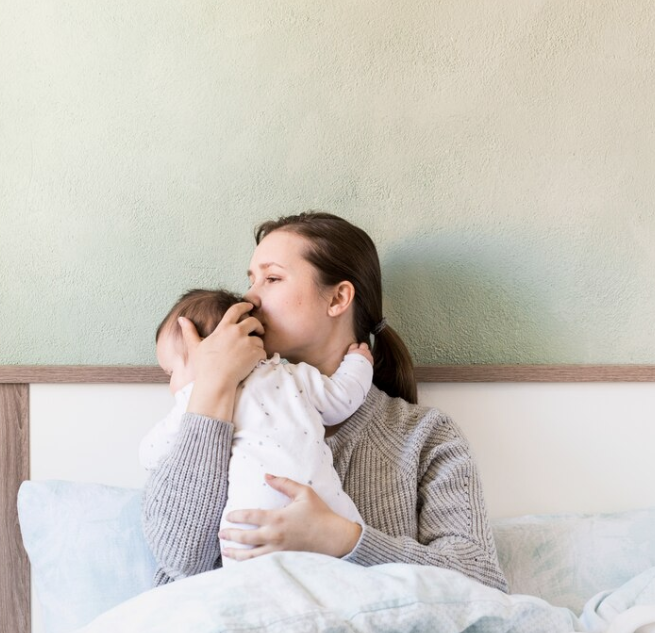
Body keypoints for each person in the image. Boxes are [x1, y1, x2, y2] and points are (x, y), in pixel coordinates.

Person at [142, 212, 508, 593]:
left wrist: (345, 539)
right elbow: (180, 559)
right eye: (250, 280)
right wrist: (212, 388)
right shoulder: (202, 411)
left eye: (271, 278)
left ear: (337, 298)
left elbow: (483, 584)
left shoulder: (424, 436)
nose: (249, 298)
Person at [140, 288, 373, 562]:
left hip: (249, 532)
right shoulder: (292, 377)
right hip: (330, 511)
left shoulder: (190, 400)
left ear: (205, 349)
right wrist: (359, 361)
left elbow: (150, 453)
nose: (254, 295)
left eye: (171, 372)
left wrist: (200, 398)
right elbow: (342, 396)